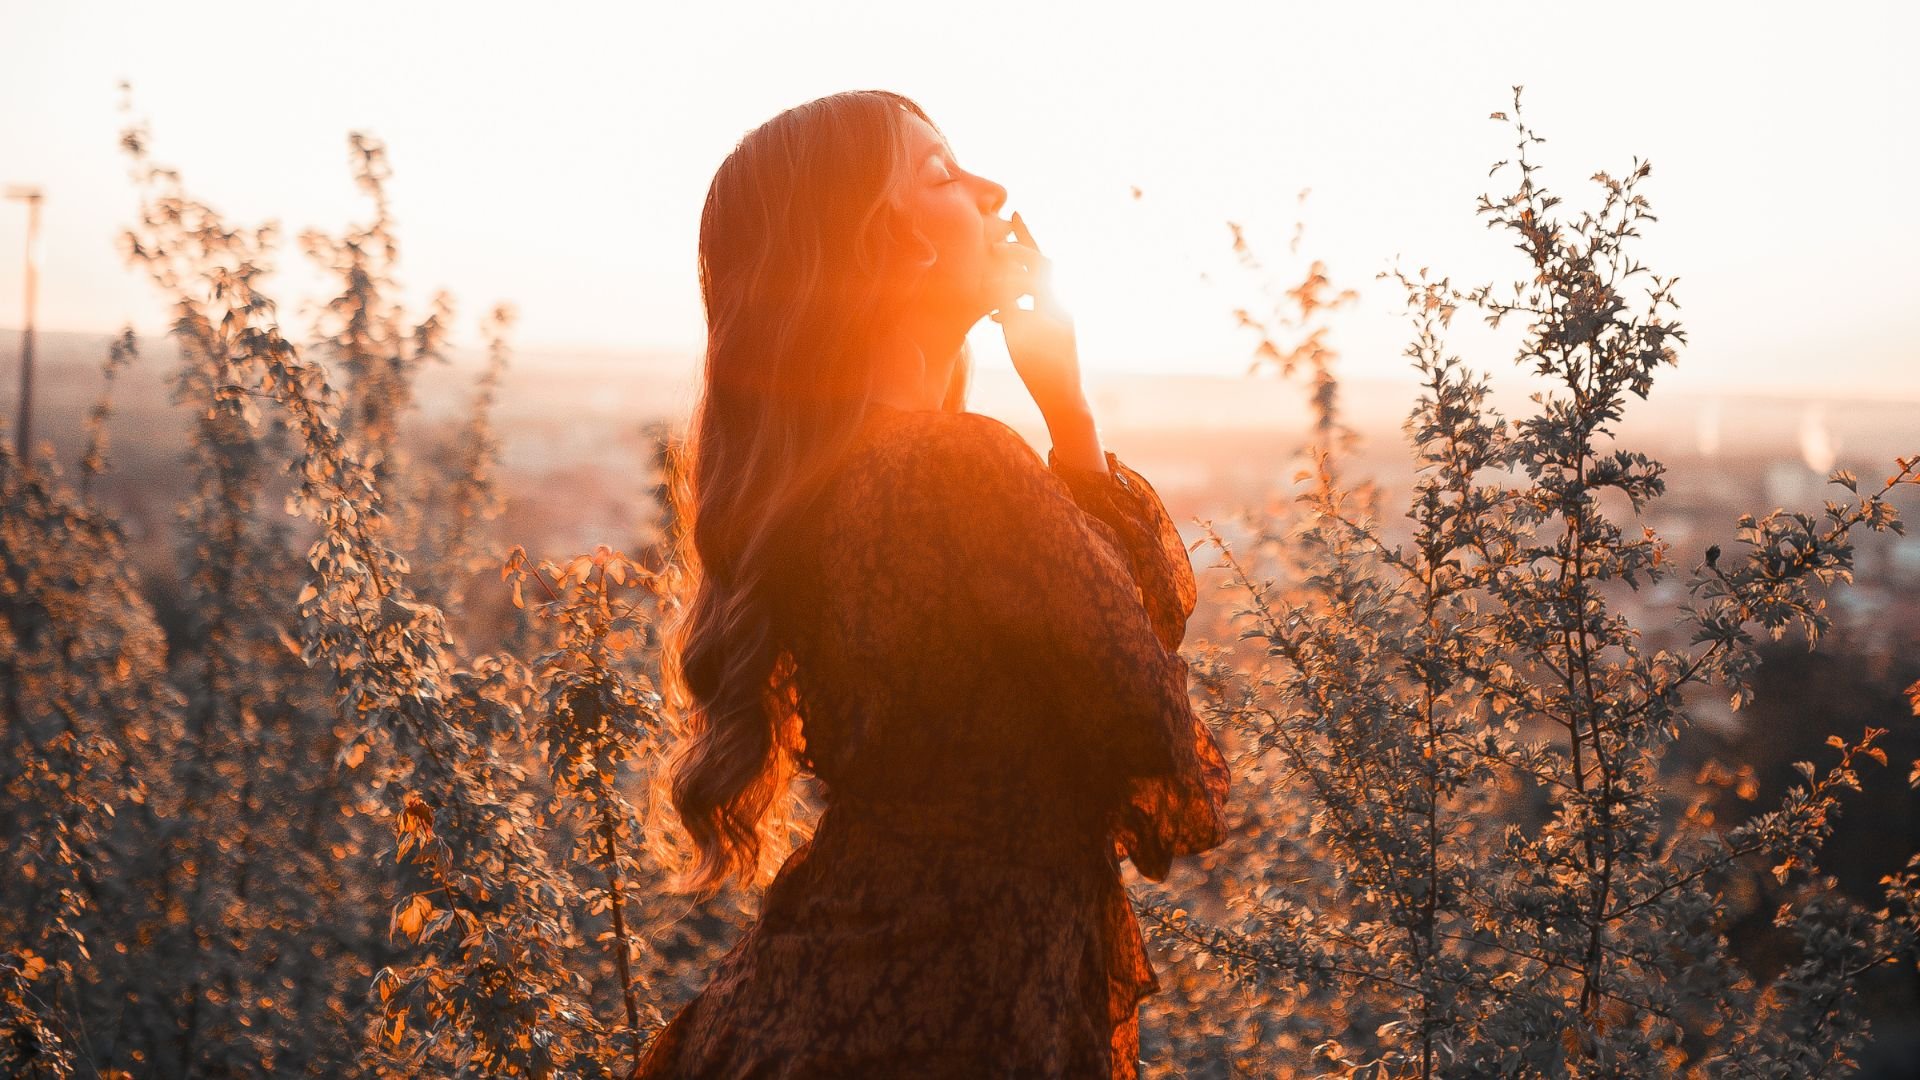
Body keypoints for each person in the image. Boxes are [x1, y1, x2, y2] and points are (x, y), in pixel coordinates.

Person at [632, 89, 1231, 1079]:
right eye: (945, 175)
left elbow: (1120, 630)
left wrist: (1068, 416)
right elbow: (1154, 730)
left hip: (850, 988)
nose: (994, 190)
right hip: (959, 1006)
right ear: (884, 245)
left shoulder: (834, 477)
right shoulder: (956, 469)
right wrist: (1068, 423)